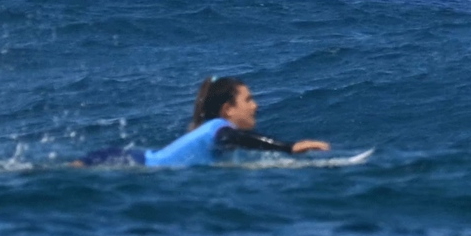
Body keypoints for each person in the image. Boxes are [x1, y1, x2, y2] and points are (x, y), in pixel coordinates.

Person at [73, 76, 330, 167]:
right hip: (124, 162)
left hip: (128, 159)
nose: (256, 105)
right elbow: (238, 139)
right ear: (228, 109)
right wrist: (289, 147)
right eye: (248, 99)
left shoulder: (213, 130)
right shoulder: (221, 128)